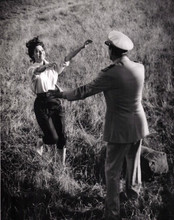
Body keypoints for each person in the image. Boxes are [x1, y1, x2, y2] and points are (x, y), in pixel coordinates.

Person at [49, 30, 149, 219]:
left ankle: (111, 213)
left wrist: (61, 94)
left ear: (112, 50)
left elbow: (83, 91)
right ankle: (133, 198)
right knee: (133, 164)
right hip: (138, 125)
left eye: (108, 47)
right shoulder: (140, 67)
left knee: (112, 171)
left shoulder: (110, 74)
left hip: (119, 129)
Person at [26, 37, 90, 165]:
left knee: (62, 137)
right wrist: (45, 66)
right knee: (52, 138)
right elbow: (38, 71)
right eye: (37, 51)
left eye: (42, 50)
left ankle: (61, 167)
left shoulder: (54, 66)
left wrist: (81, 47)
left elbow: (67, 58)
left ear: (45, 51)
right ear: (32, 54)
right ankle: (41, 142)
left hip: (55, 100)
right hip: (41, 103)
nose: (40, 53)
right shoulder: (32, 69)